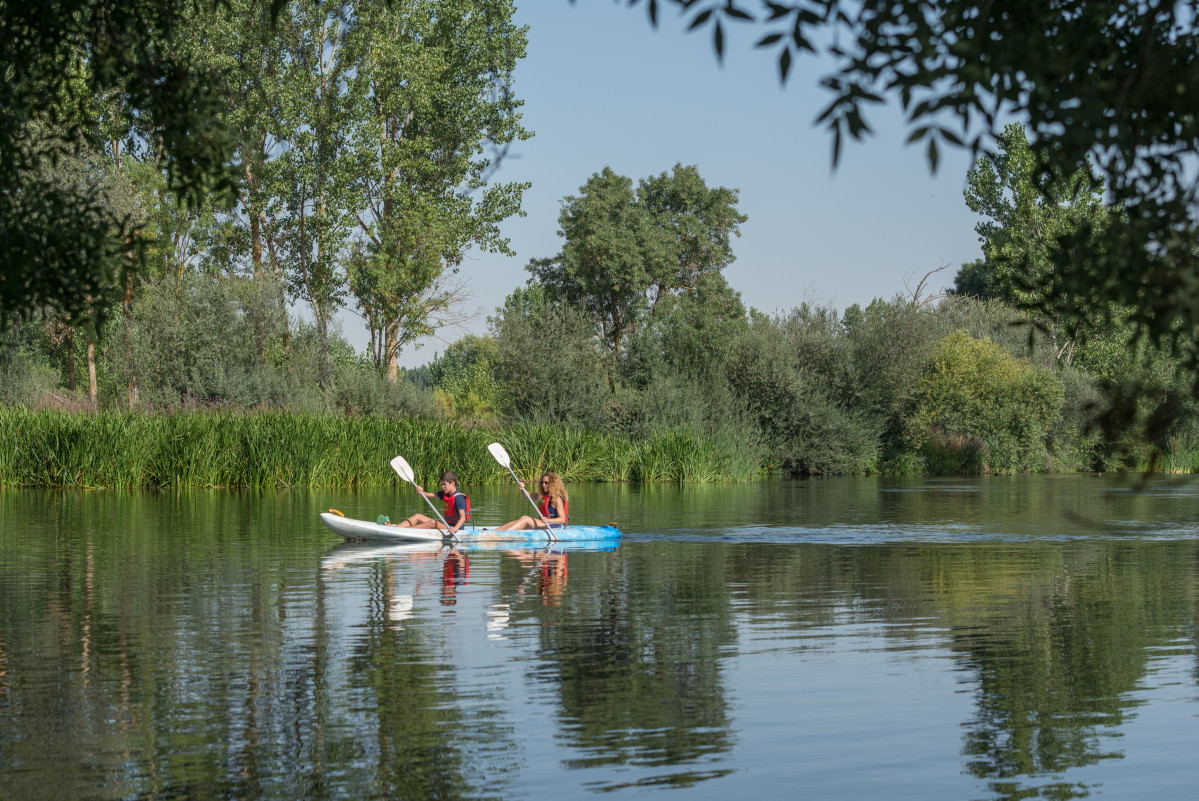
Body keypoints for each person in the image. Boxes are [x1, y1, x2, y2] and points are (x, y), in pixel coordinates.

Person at [391, 471, 470, 537]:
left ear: (452, 483)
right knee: (418, 516)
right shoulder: (445, 494)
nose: (442, 486)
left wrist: (455, 528)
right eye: (442, 484)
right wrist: (420, 490)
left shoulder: (459, 498)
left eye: (444, 484)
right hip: (446, 525)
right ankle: (394, 529)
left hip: (455, 529)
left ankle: (402, 532)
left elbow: (463, 517)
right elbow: (427, 495)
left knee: (433, 523)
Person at [494, 472, 568, 531]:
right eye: (542, 482)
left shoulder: (557, 498)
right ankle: (494, 532)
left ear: (553, 484)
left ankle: (503, 535)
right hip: (544, 523)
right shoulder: (543, 495)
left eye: (546, 483)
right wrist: (522, 488)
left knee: (525, 519)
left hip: (553, 526)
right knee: (515, 522)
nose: (543, 485)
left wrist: (547, 520)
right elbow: (528, 495)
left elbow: (562, 519)